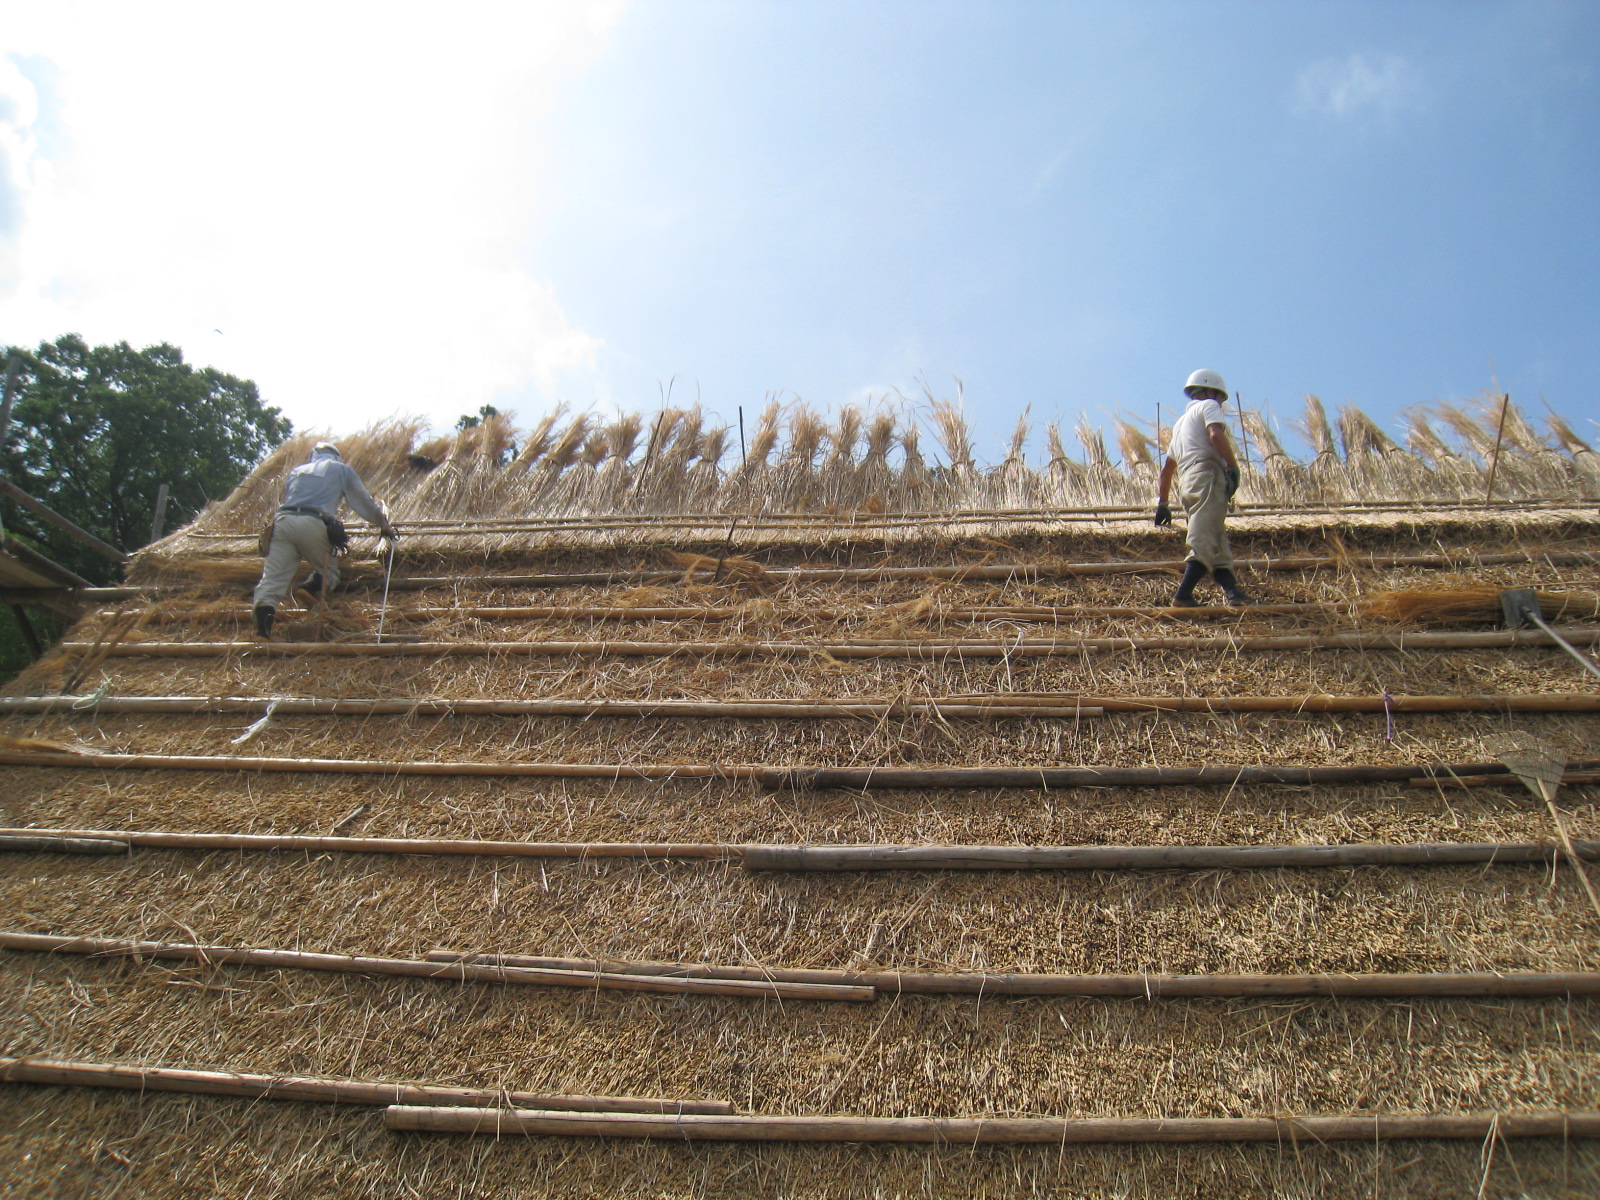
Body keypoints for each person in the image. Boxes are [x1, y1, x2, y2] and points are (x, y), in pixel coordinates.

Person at [252, 442, 397, 638]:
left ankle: (262, 630)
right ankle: (310, 589)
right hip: (313, 522)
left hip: (282, 524)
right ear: (336, 456)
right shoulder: (341, 469)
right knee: (329, 572)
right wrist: (383, 523)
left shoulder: (296, 472)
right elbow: (362, 500)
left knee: (272, 580)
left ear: (314, 455)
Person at [1154, 369, 1254, 606]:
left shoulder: (1180, 425)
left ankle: (1232, 591)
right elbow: (1215, 434)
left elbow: (1167, 470)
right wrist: (1232, 466)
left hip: (1186, 483)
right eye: (1220, 397)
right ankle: (1183, 594)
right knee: (1203, 537)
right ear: (1210, 391)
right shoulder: (1209, 406)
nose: (1221, 403)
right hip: (1206, 475)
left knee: (1215, 538)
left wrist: (1163, 504)